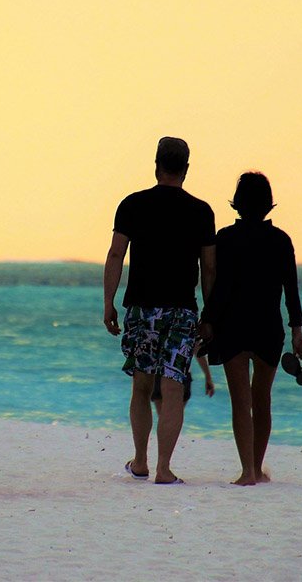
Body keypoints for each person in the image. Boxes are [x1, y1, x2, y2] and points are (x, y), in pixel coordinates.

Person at [103, 136, 216, 485]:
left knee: (141, 386)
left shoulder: (132, 205)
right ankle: (164, 468)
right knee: (172, 388)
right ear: (186, 169)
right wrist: (209, 315)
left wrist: (108, 301)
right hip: (182, 310)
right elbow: (209, 268)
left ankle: (140, 461)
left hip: (142, 308)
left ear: (156, 165)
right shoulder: (201, 211)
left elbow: (116, 254)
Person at [202, 171, 302, 486]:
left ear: (237, 203)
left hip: (232, 327)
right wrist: (297, 331)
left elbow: (218, 288)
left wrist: (207, 320)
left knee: (241, 401)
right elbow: (292, 290)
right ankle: (257, 469)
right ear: (268, 204)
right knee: (261, 398)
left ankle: (247, 471)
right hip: (267, 328)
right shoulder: (280, 240)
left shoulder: (225, 238)